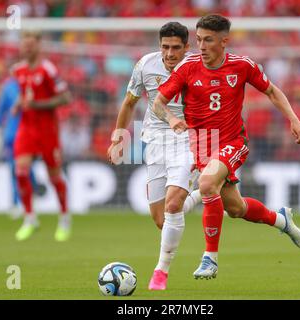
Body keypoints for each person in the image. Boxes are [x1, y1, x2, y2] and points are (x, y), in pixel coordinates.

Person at [153, 14, 300, 280]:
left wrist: (294, 120)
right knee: (235, 209)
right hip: (201, 146)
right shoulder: (187, 67)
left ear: (224, 41)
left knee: (205, 185)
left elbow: (272, 91)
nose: (201, 46)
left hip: (232, 142)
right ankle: (281, 219)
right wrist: (171, 118)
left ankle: (210, 259)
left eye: (208, 40)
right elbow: (158, 103)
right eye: (199, 39)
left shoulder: (242, 65)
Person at [107, 22, 201, 290]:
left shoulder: (199, 67)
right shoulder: (146, 65)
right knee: (161, 218)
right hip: (156, 141)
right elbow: (129, 102)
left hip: (189, 139)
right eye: (165, 47)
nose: (170, 54)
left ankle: (161, 272)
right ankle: (202, 194)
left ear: (186, 47)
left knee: (172, 206)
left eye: (175, 48)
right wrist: (117, 137)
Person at [11, 31, 72, 242]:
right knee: (20, 171)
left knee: (54, 177)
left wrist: (38, 104)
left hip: (47, 130)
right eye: (24, 45)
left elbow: (65, 98)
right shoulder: (17, 70)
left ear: (38, 46)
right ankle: (30, 218)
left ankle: (64, 218)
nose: (26, 48)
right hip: (26, 129)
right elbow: (24, 93)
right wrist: (19, 104)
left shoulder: (48, 69)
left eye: (30, 45)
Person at [0, 77, 38, 219]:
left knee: (27, 169)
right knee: (15, 169)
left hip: (31, 134)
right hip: (12, 135)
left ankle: (30, 198)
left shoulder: (33, 85)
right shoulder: (9, 87)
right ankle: (19, 203)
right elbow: (1, 110)